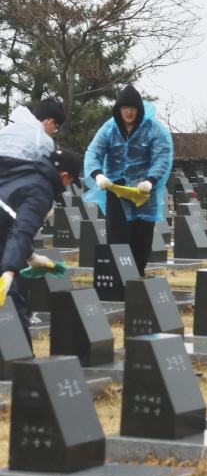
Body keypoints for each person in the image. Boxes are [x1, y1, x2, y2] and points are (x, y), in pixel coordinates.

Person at [84, 86, 174, 275]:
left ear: (139, 109)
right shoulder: (109, 128)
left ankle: (137, 276)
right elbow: (94, 152)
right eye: (124, 107)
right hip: (116, 189)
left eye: (132, 107)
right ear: (118, 109)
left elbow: (162, 157)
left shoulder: (153, 128)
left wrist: (150, 180)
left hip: (144, 191)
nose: (129, 111)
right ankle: (118, 278)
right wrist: (98, 174)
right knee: (117, 236)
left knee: (142, 236)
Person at [0, 147, 82, 343]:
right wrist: (9, 271)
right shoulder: (41, 191)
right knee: (13, 307)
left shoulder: (25, 168)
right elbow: (21, 230)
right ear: (64, 175)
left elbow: (10, 221)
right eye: (70, 182)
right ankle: (21, 368)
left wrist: (32, 257)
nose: (67, 186)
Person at [0, 97, 64, 162]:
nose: (53, 132)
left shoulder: (6, 130)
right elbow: (45, 169)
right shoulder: (43, 140)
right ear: (50, 122)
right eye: (55, 128)